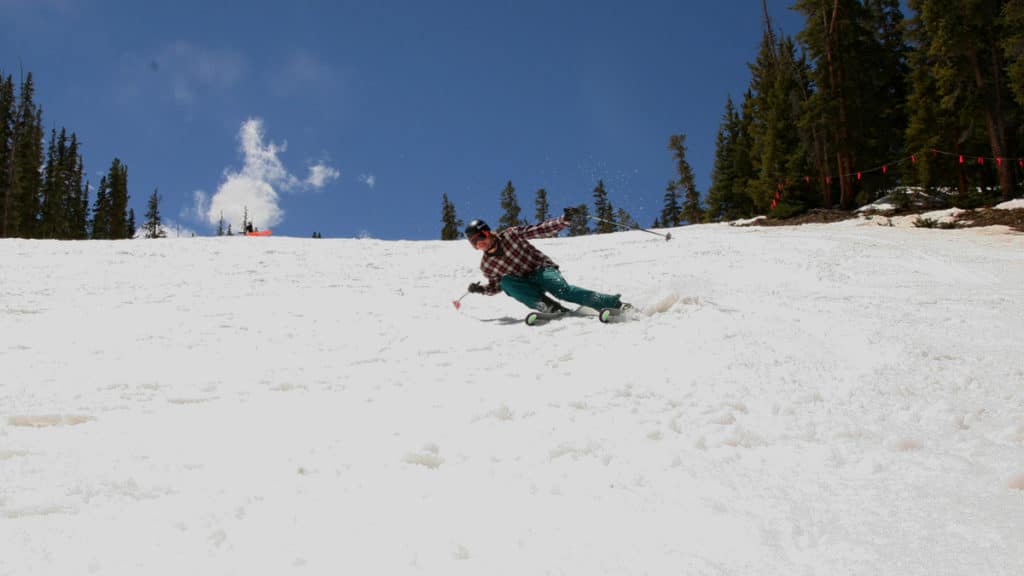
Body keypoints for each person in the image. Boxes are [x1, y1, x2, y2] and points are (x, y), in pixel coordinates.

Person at [465, 208, 631, 314]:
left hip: (542, 270)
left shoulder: (510, 235)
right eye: (475, 242)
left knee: (563, 291)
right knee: (506, 282)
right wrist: (481, 290)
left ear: (488, 233)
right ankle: (550, 308)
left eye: (481, 237)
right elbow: (496, 286)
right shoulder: (487, 265)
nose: (480, 243)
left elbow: (539, 229)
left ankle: (614, 304)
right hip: (526, 283)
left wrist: (563, 220)